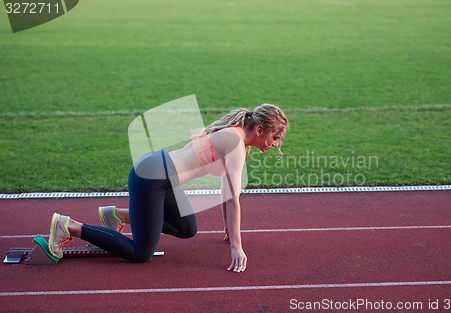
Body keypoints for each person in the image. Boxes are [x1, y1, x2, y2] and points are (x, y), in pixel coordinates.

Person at [48, 104, 288, 273]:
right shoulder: (236, 142)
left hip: (160, 170)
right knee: (140, 253)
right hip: (153, 178)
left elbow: (227, 191)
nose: (275, 144)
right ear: (260, 130)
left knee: (186, 227)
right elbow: (234, 199)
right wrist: (237, 247)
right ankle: (68, 226)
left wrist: (227, 227)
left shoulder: (236, 137)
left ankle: (116, 216)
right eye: (275, 138)